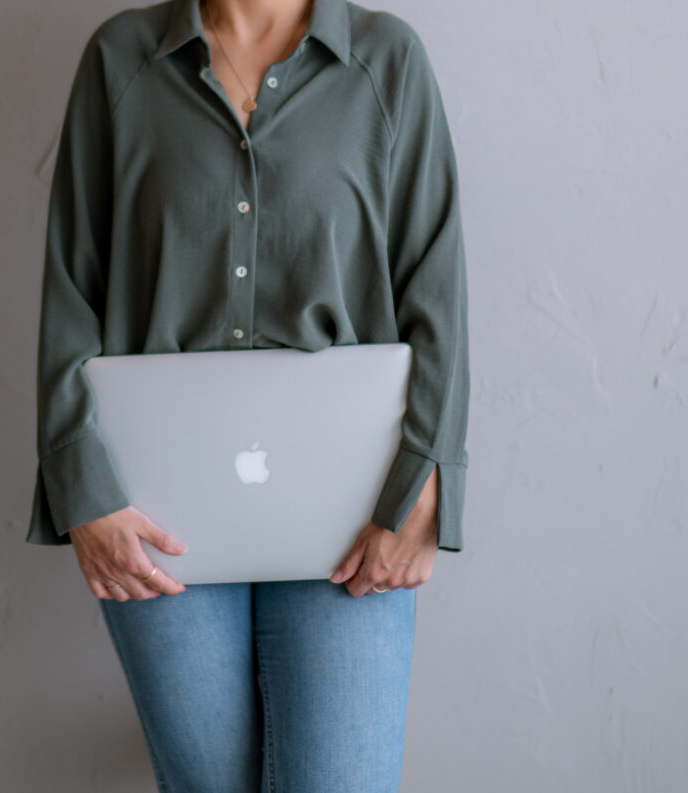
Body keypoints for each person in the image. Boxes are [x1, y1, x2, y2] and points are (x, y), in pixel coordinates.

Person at [26, 0, 470, 790]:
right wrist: (82, 491)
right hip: (156, 520)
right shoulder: (120, 61)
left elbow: (436, 291)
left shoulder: (387, 60)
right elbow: (72, 286)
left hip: (357, 517)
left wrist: (427, 481)